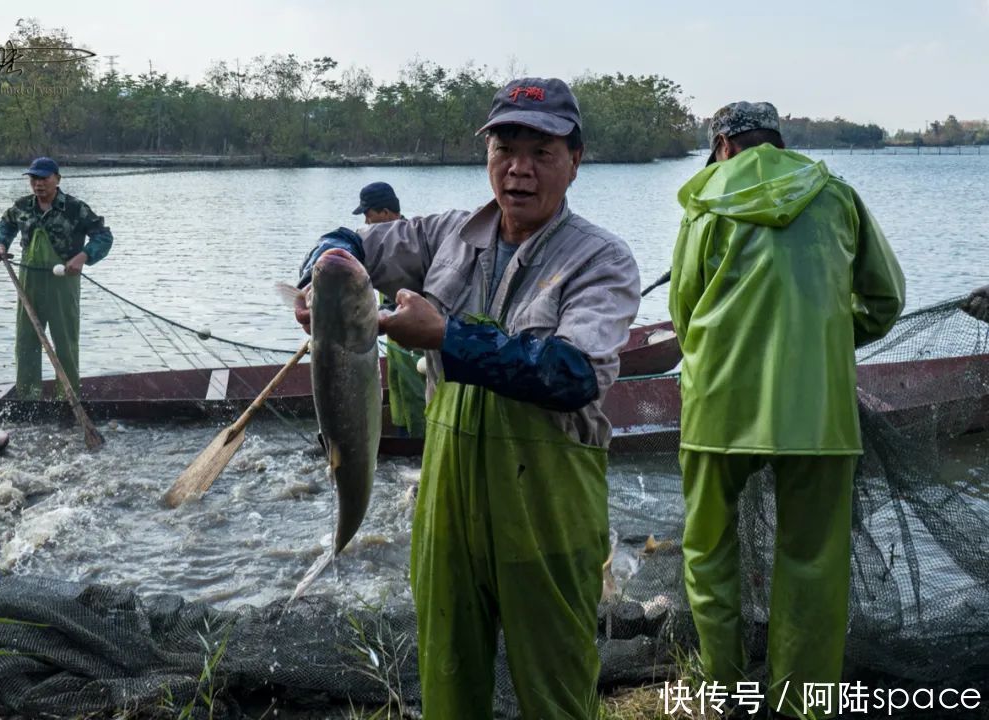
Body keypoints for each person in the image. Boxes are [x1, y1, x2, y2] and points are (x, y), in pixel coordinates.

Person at [295, 77, 640, 719]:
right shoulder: (445, 235)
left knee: (557, 690)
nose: (519, 170)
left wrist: (446, 336)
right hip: (447, 500)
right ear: (486, 154)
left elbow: (573, 374)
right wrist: (323, 275)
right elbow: (344, 241)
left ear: (576, 160)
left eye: (542, 152)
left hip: (549, 506)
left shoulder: (601, 259)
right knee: (449, 682)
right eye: (505, 148)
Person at [668, 101, 906, 719]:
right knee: (814, 566)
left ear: (722, 145)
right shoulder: (837, 194)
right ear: (777, 139)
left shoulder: (704, 202)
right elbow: (885, 300)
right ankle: (804, 705)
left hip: (719, 408)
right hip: (818, 414)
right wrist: (820, 339)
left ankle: (721, 695)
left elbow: (684, 315)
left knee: (708, 553)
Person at [0, 157, 113, 399]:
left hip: (62, 284)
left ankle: (67, 397)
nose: (39, 184)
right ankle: (28, 397)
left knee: (64, 343)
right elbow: (5, 226)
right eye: (34, 179)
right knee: (26, 341)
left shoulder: (76, 208)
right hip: (29, 281)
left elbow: (104, 237)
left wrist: (84, 256)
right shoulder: (22, 207)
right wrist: (0, 246)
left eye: (44, 178)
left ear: (57, 179)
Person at [353, 181, 426, 438]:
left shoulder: (410, 241)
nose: (366, 220)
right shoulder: (380, 242)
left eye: (368, 214)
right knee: (396, 386)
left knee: (415, 387)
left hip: (413, 337)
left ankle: (420, 442)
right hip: (393, 336)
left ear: (385, 213)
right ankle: (402, 433)